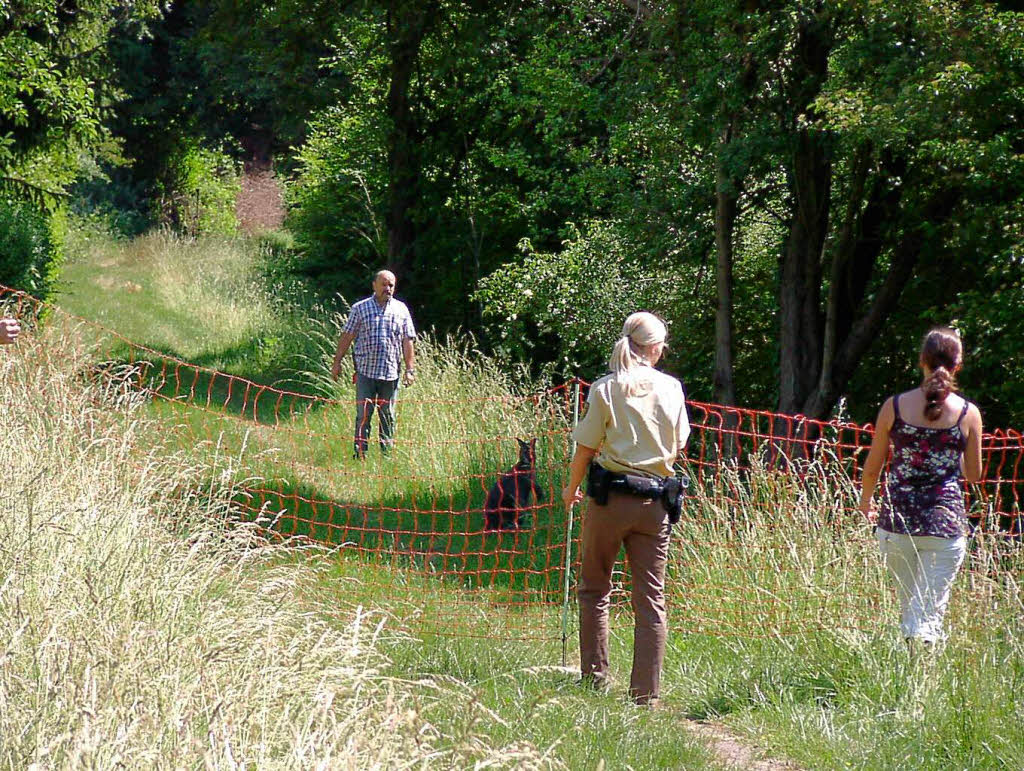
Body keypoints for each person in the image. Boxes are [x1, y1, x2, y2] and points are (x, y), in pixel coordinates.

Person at [562, 312, 689, 706]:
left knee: (594, 588)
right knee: (651, 599)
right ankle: (646, 696)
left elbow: (585, 447)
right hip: (656, 505)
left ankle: (595, 678)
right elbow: (681, 443)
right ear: (655, 347)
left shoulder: (604, 389)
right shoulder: (673, 389)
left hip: (609, 500)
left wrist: (570, 490)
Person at [859, 326, 983, 646]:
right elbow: (973, 475)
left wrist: (865, 502)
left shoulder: (894, 406)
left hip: (897, 523)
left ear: (921, 361)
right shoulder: (969, 415)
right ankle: (920, 681)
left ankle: (908, 675)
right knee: (928, 613)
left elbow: (873, 467)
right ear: (958, 365)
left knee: (910, 608)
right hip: (944, 526)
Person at [331, 270, 416, 458]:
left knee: (388, 416)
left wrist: (410, 370)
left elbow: (407, 341)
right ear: (374, 286)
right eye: (384, 284)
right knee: (363, 416)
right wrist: (337, 362)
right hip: (365, 373)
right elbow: (347, 336)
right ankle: (360, 454)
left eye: (391, 285)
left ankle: (387, 455)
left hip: (391, 373)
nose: (388, 288)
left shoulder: (401, 310)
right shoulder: (360, 309)